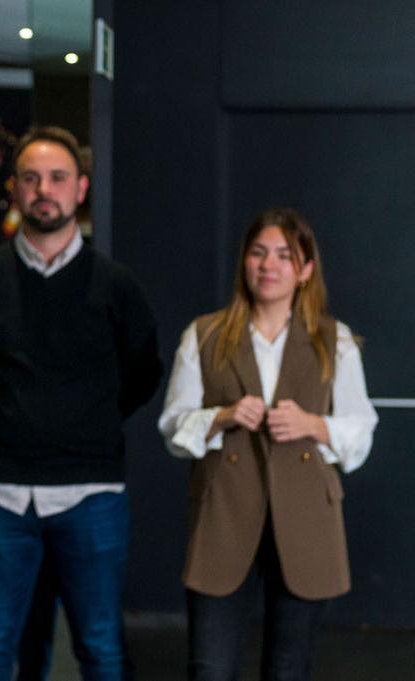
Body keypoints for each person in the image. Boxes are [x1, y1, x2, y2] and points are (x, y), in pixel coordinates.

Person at [0, 125, 163, 681]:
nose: (45, 189)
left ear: (81, 188)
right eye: (31, 178)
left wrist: (86, 420)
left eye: (58, 178)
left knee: (101, 648)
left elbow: (144, 374)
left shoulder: (116, 286)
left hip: (90, 491)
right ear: (15, 188)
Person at [158, 207, 377, 681]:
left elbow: (360, 430)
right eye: (258, 253)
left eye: (283, 255)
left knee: (288, 669)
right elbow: (173, 427)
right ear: (244, 261)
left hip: (306, 518)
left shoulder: (334, 340)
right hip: (224, 514)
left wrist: (312, 424)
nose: (268, 265)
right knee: (210, 669)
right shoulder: (205, 335)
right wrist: (223, 416)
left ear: (305, 269)